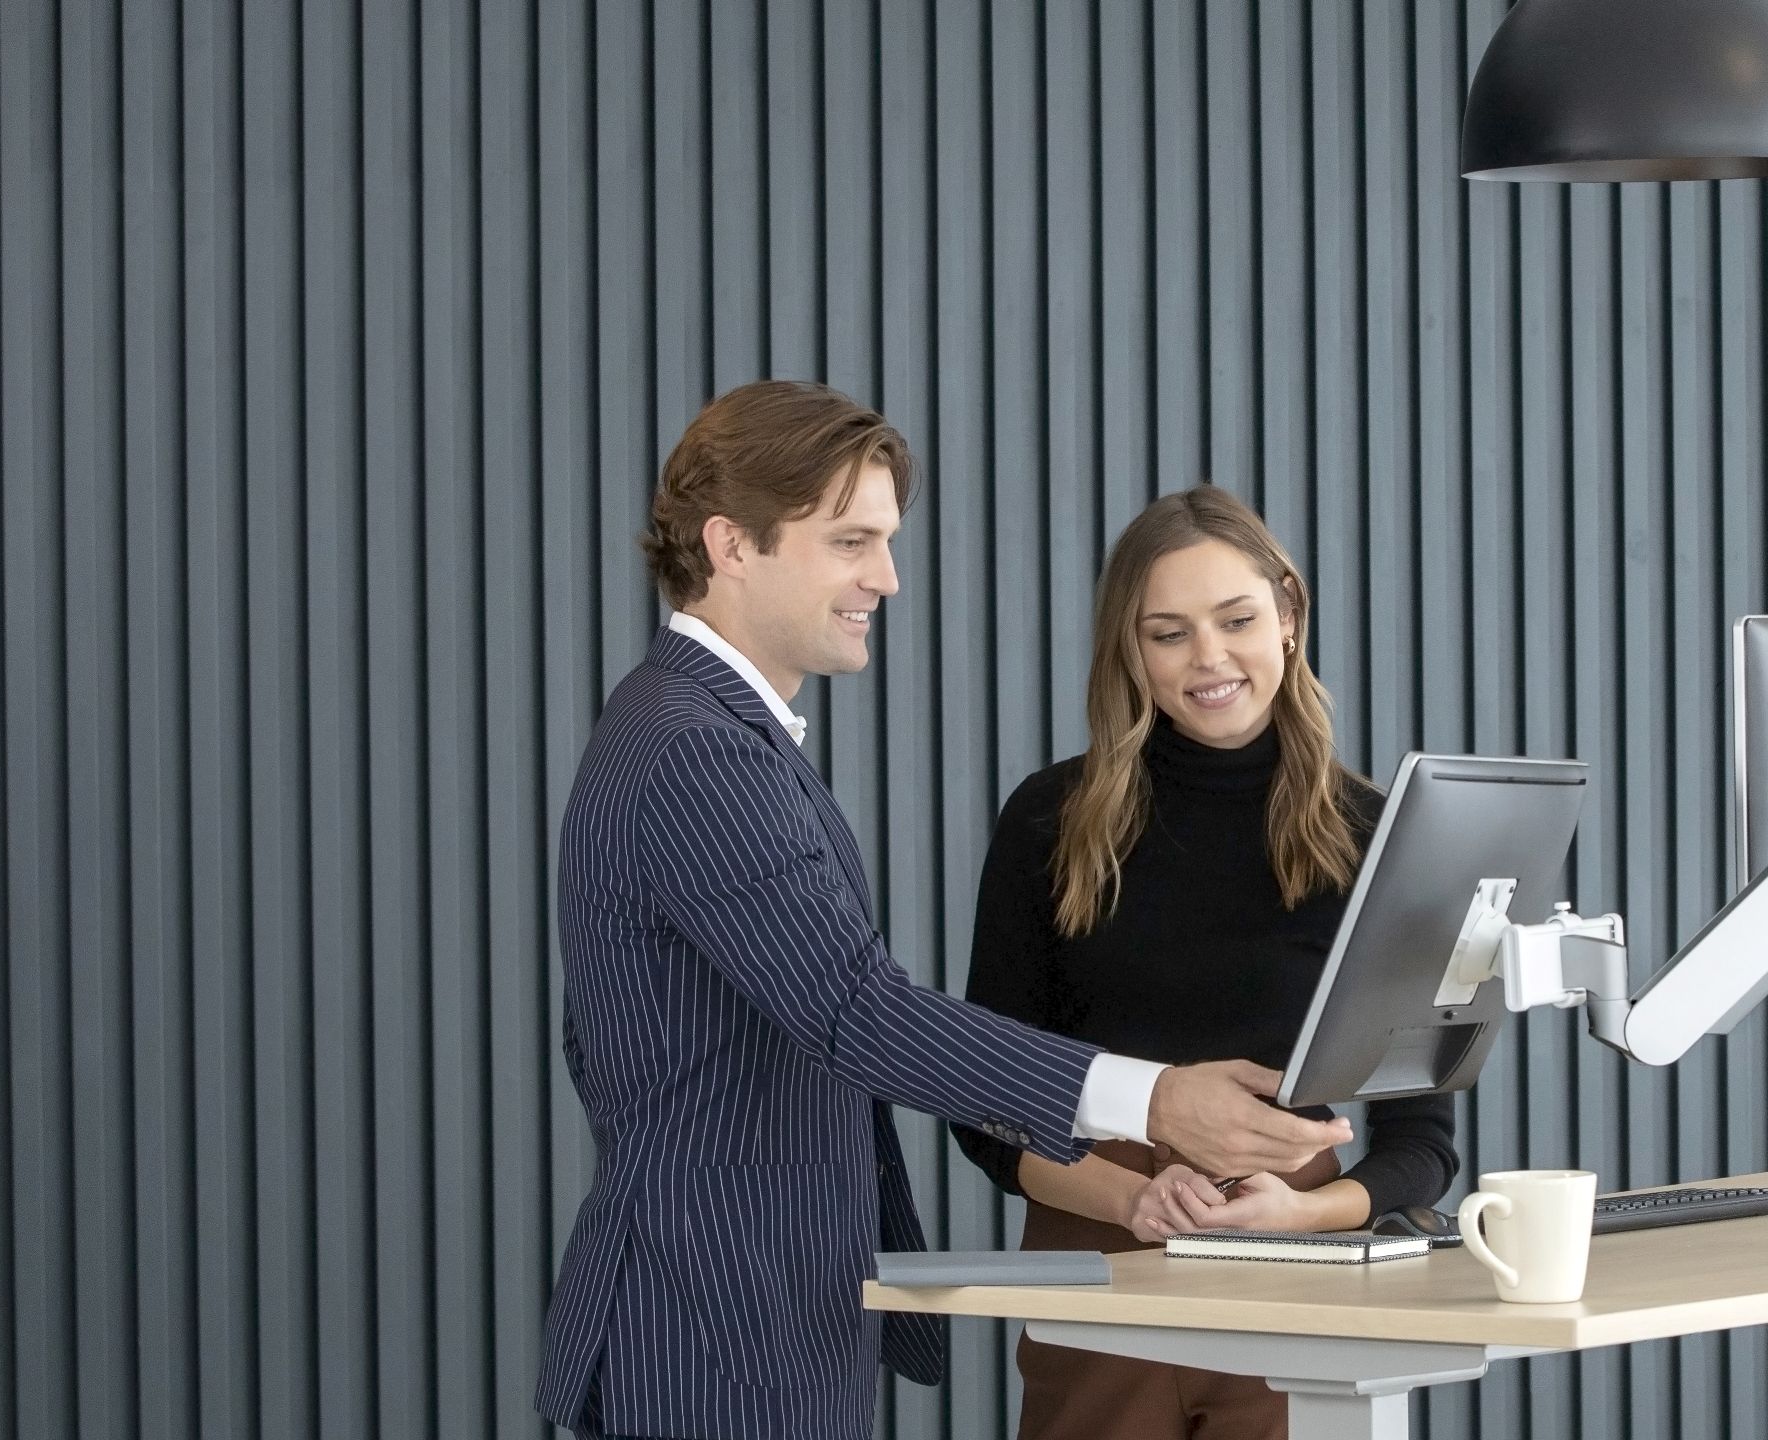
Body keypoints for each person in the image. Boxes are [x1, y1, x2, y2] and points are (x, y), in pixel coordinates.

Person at [534, 383, 1350, 1440]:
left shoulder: (697, 729)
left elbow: (613, 1037)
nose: (886, 576)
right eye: (852, 542)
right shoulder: (697, 748)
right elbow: (856, 1014)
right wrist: (1154, 1102)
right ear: (732, 545)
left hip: (754, 1311)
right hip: (719, 1323)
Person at [956, 485, 1458, 1440]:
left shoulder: (1377, 836)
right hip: (1100, 1267)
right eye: (1168, 633)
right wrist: (1132, 1198)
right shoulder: (1046, 822)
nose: (1209, 659)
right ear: (1129, 650)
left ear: (1289, 614)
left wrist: (1301, 1219)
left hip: (1299, 1283)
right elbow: (987, 1112)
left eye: (1235, 620)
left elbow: (1419, 1146)